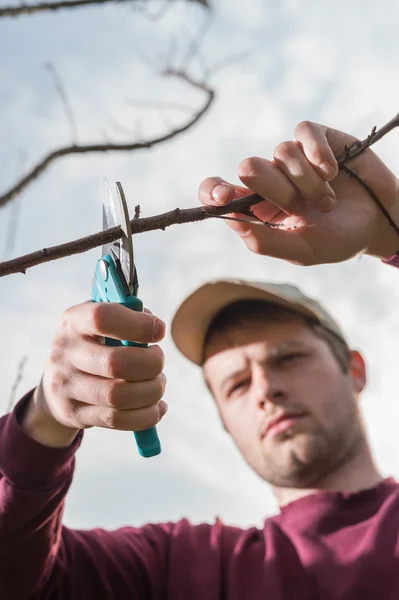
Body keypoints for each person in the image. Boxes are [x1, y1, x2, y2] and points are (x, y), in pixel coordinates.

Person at [1, 121, 399, 599]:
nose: (266, 390)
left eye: (288, 358)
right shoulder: (178, 569)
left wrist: (394, 227)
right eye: (235, 384)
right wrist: (44, 422)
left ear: (354, 369)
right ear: (225, 423)